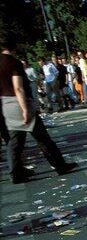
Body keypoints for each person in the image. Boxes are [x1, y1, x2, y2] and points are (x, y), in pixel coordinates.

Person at [0, 34, 77, 184]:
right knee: (42, 138)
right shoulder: (14, 63)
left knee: (14, 141)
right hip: (18, 102)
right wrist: (25, 109)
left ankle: (15, 172)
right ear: (15, 46)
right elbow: (18, 87)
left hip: (5, 103)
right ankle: (60, 165)